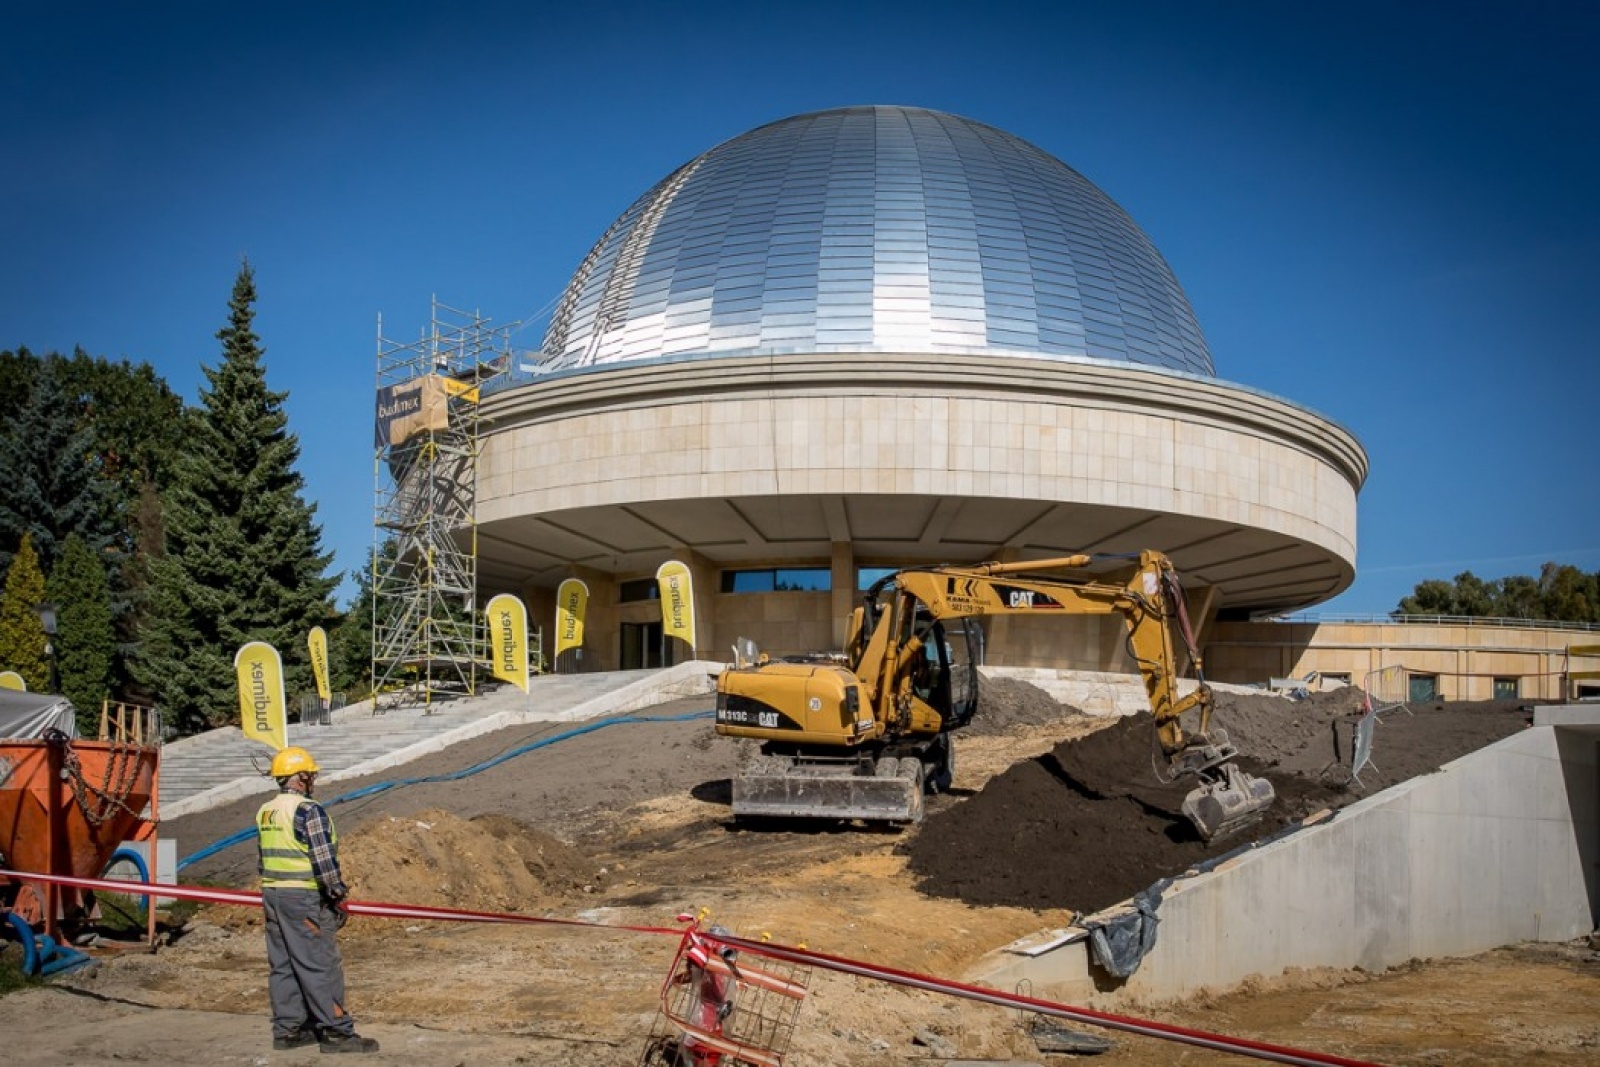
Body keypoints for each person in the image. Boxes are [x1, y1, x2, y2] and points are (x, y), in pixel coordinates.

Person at [256, 746, 378, 1054]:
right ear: (300, 777)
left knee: (283, 964)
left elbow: (262, 857)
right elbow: (323, 861)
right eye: (310, 774)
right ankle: (336, 1032)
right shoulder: (308, 811)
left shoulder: (266, 811)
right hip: (304, 897)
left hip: (273, 894)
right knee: (319, 964)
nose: (313, 780)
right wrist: (336, 895)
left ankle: (288, 1030)